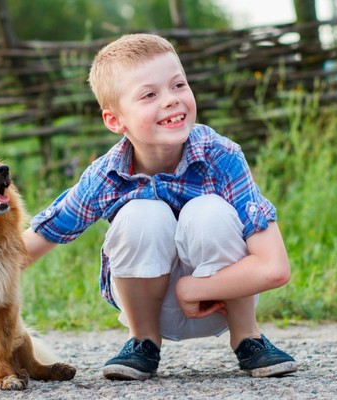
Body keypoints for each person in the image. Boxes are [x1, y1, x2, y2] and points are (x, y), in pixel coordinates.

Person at [22, 33, 297, 381]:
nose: (171, 100)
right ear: (115, 121)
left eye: (178, 85)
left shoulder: (221, 156)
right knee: (141, 213)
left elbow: (275, 267)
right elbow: (30, 245)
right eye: (150, 94)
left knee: (208, 210)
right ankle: (143, 342)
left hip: (220, 301)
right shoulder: (107, 175)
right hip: (151, 304)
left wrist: (194, 289)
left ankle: (247, 338)